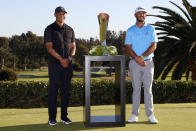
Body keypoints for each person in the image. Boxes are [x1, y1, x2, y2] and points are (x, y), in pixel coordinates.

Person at [125, 6, 158, 124]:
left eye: (143, 13)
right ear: (135, 15)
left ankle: (150, 115)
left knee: (148, 90)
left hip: (148, 63)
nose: (141, 15)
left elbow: (153, 45)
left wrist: (142, 57)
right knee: (136, 89)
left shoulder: (151, 29)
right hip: (134, 63)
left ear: (145, 15)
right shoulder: (130, 30)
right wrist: (137, 59)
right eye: (139, 13)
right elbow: (127, 47)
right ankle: (134, 115)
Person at [44, 6, 76, 126]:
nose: (62, 16)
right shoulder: (49, 29)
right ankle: (52, 118)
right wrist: (61, 59)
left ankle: (64, 117)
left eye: (64, 14)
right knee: (53, 92)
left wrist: (69, 58)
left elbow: (73, 46)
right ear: (55, 15)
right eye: (60, 14)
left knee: (65, 92)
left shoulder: (70, 29)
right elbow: (49, 47)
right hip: (55, 65)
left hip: (68, 65)